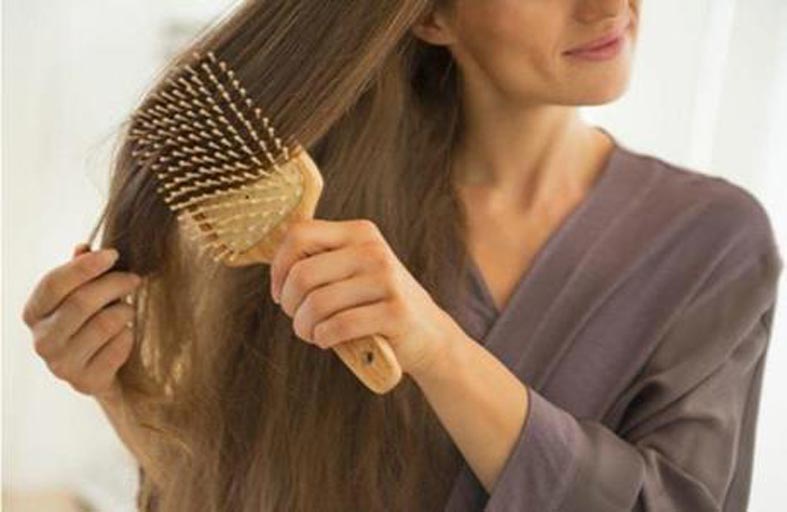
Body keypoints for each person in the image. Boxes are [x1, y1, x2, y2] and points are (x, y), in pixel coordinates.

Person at [22, 1, 782, 511]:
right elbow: (232, 491)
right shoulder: (323, 209)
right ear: (428, 16)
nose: (607, 6)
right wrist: (120, 390)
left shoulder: (712, 241)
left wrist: (437, 349)